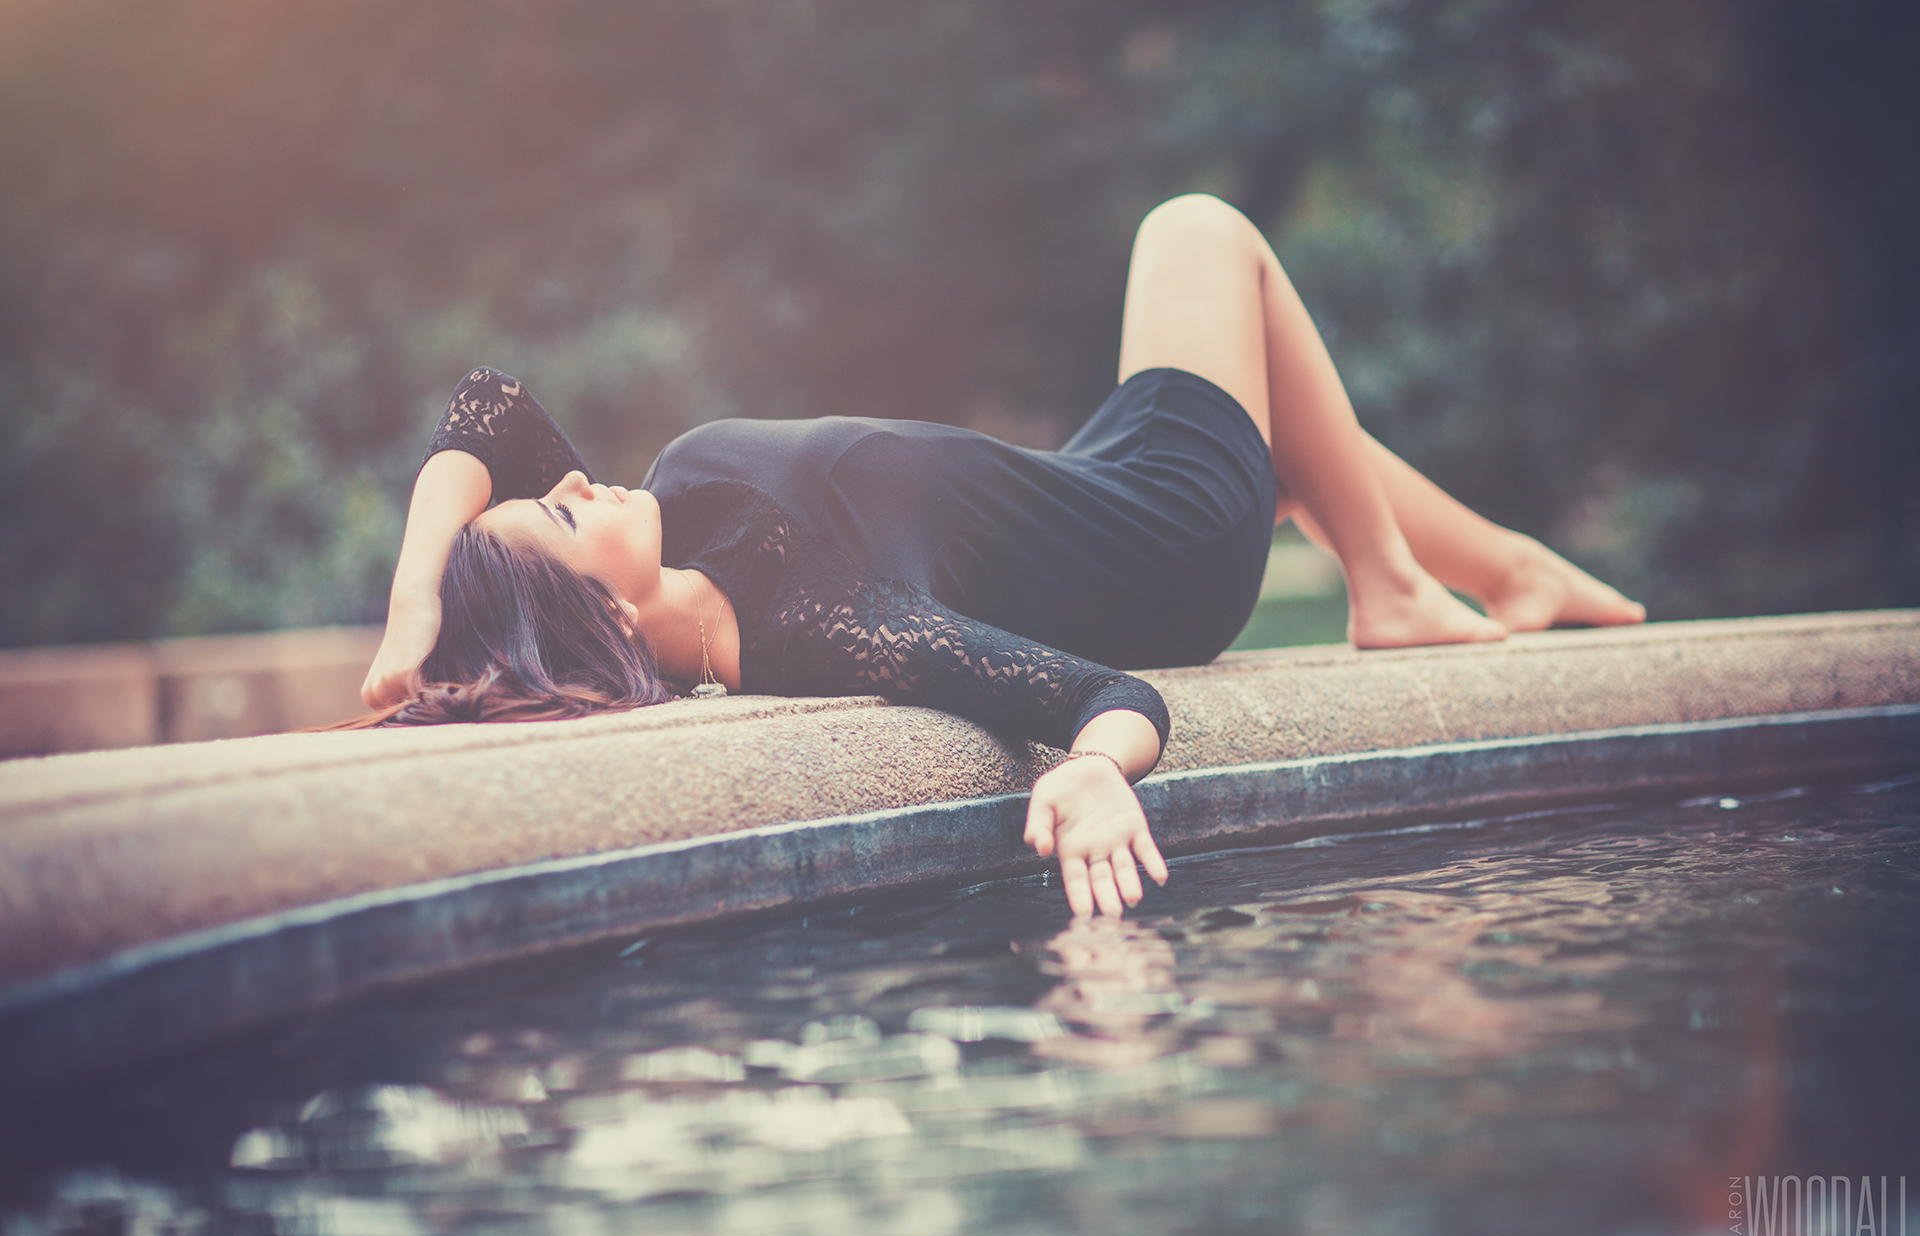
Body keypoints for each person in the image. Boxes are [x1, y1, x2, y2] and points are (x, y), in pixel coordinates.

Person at [343, 192, 1645, 921]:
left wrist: (413, 618)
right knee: (1197, 233)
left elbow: (489, 406)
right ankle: (1400, 589)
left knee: (1284, 438)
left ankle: (1504, 570)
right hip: (1169, 542)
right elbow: (1111, 697)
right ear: (613, 630)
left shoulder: (673, 499)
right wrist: (1090, 777)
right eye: (560, 517)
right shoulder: (834, 628)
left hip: (1080, 484)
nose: (568, 479)